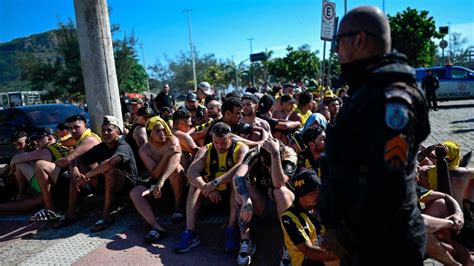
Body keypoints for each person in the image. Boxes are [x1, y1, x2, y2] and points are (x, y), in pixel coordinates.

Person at [318, 6, 430, 265]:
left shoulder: (392, 99)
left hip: (385, 246)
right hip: (364, 242)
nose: (336, 50)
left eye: (339, 41)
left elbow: (388, 186)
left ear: (359, 39)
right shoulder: (368, 92)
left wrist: (344, 235)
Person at [175, 122, 249, 254]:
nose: (219, 146)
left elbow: (240, 168)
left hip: (230, 194)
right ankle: (190, 231)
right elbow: (192, 172)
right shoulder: (206, 150)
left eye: (223, 142)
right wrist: (205, 187)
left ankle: (231, 229)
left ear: (230, 138)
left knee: (237, 182)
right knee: (194, 185)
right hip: (210, 194)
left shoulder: (241, 149)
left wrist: (215, 182)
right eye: (216, 142)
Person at [53, 116, 137, 232]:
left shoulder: (122, 145)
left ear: (117, 132)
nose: (105, 133)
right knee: (78, 170)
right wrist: (76, 172)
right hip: (104, 182)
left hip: (124, 185)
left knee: (110, 170)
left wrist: (88, 176)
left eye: (109, 130)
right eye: (103, 130)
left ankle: (106, 216)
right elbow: (75, 160)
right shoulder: (102, 146)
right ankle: (71, 213)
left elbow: (112, 162)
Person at [233, 138, 298, 265]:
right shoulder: (255, 152)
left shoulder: (289, 154)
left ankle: (289, 247)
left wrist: (275, 157)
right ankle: (246, 241)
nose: (266, 166)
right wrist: (246, 200)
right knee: (239, 188)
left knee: (280, 192)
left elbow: (279, 183)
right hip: (261, 203)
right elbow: (238, 176)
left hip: (286, 208)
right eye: (265, 162)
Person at [130, 116, 186, 243]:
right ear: (150, 133)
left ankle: (178, 207)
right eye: (157, 131)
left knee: (176, 170)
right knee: (135, 193)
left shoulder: (173, 140)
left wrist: (161, 181)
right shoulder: (145, 149)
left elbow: (175, 162)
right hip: (157, 181)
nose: (162, 133)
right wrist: (166, 155)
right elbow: (154, 174)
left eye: (163, 129)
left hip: (174, 180)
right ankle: (156, 226)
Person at [281, 170, 338, 265]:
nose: (317, 195)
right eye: (312, 194)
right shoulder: (289, 217)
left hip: (324, 255)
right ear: (300, 196)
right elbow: (309, 251)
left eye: (318, 191)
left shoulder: (323, 207)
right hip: (306, 262)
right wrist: (342, 254)